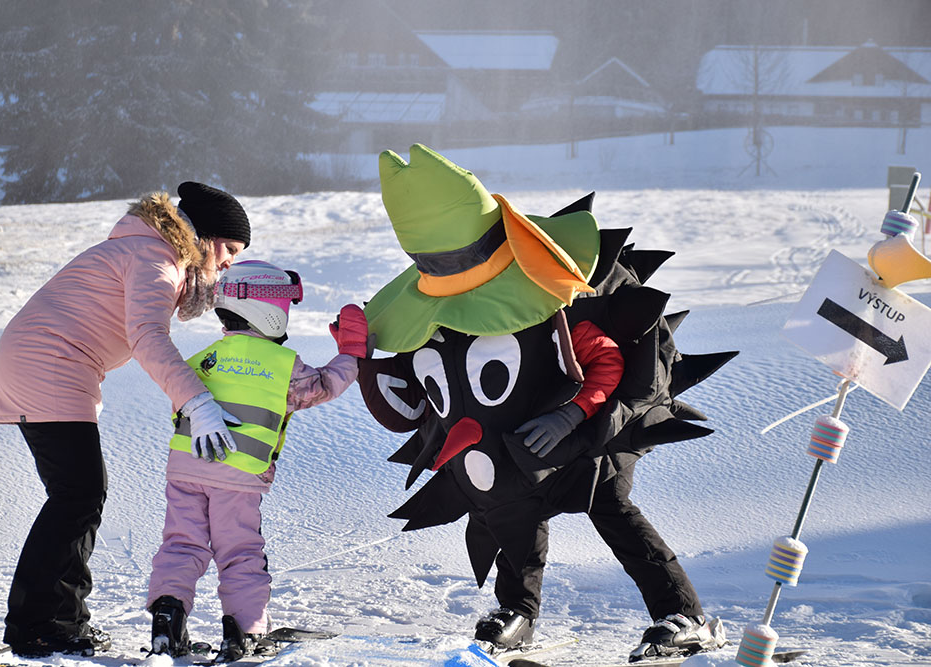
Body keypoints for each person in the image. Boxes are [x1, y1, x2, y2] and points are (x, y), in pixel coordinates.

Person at [356, 144, 732, 661]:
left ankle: (684, 615)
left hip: (586, 434)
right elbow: (413, 410)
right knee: (510, 512)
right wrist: (360, 361)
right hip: (509, 447)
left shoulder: (549, 296)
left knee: (612, 508)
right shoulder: (436, 322)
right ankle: (518, 612)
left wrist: (570, 415)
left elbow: (607, 361)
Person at [0, 181, 253, 658]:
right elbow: (148, 337)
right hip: (47, 362)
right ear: (207, 237)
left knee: (77, 494)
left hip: (52, 362)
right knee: (78, 494)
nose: (231, 261)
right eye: (230, 249)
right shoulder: (156, 259)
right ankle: (39, 625)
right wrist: (197, 403)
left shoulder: (152, 251)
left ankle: (59, 620)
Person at [145, 260, 369, 663]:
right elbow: (322, 387)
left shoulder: (205, 358)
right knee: (239, 551)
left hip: (184, 470)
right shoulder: (281, 365)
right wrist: (351, 353)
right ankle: (244, 630)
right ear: (269, 309)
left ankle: (167, 618)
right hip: (239, 477)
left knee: (181, 544)